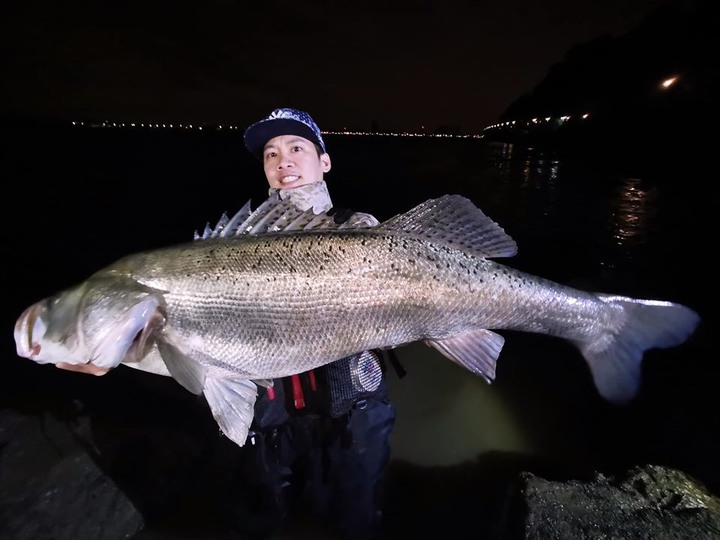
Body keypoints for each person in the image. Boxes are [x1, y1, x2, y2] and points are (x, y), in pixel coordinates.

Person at [229, 107, 399, 540]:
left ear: (324, 161)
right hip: (271, 416)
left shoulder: (359, 228)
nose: (282, 160)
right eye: (270, 153)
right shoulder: (236, 243)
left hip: (352, 413)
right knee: (263, 522)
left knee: (353, 523)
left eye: (296, 148)